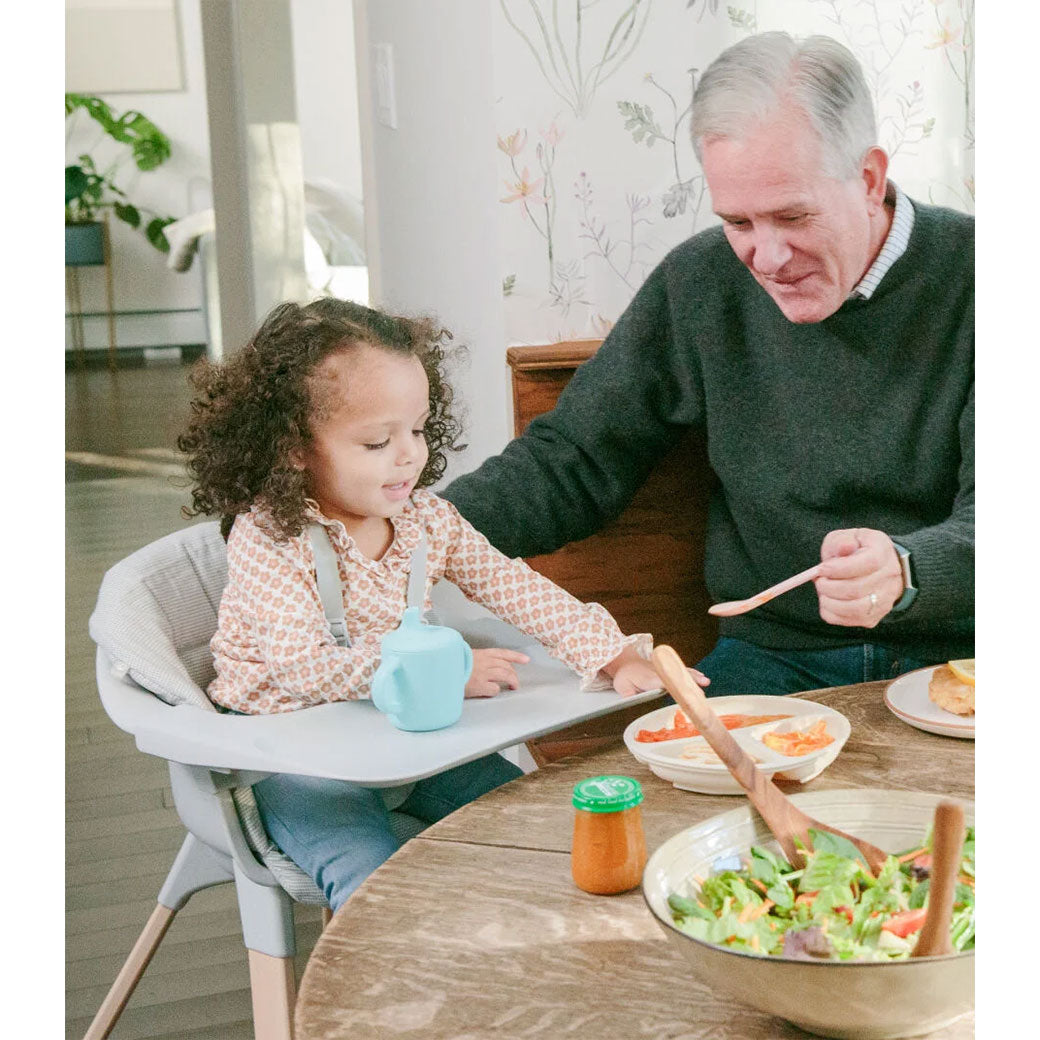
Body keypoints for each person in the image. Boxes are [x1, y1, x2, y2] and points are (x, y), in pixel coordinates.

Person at [444, 31, 974, 696]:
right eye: (739, 223)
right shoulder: (700, 281)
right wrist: (412, 532)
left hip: (963, 658)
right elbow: (573, 462)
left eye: (792, 216)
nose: (767, 258)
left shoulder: (986, 277)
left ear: (868, 179)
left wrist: (908, 571)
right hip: (772, 658)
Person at [177, 296, 678, 911]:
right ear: (294, 448)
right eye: (376, 441)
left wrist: (613, 655)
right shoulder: (271, 537)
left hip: (402, 735)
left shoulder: (427, 522)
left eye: (416, 429)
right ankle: (394, 1001)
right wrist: (444, 673)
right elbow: (299, 667)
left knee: (532, 824)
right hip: (293, 750)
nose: (409, 455)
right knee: (369, 878)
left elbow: (514, 587)